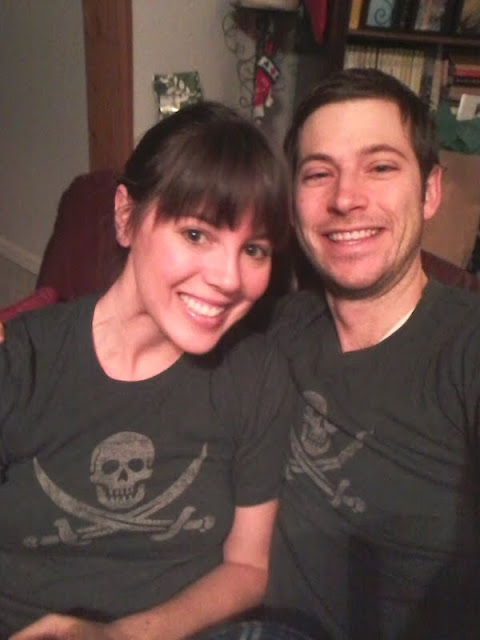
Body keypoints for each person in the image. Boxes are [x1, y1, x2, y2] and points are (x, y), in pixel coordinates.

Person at [0, 101, 295, 640]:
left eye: (254, 248)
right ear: (125, 216)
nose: (229, 279)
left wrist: (124, 635)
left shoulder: (256, 377)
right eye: (197, 234)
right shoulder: (22, 362)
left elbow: (249, 566)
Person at [263, 68, 480, 639]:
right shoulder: (275, 327)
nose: (345, 199)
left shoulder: (468, 347)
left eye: (380, 167)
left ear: (430, 191)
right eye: (318, 174)